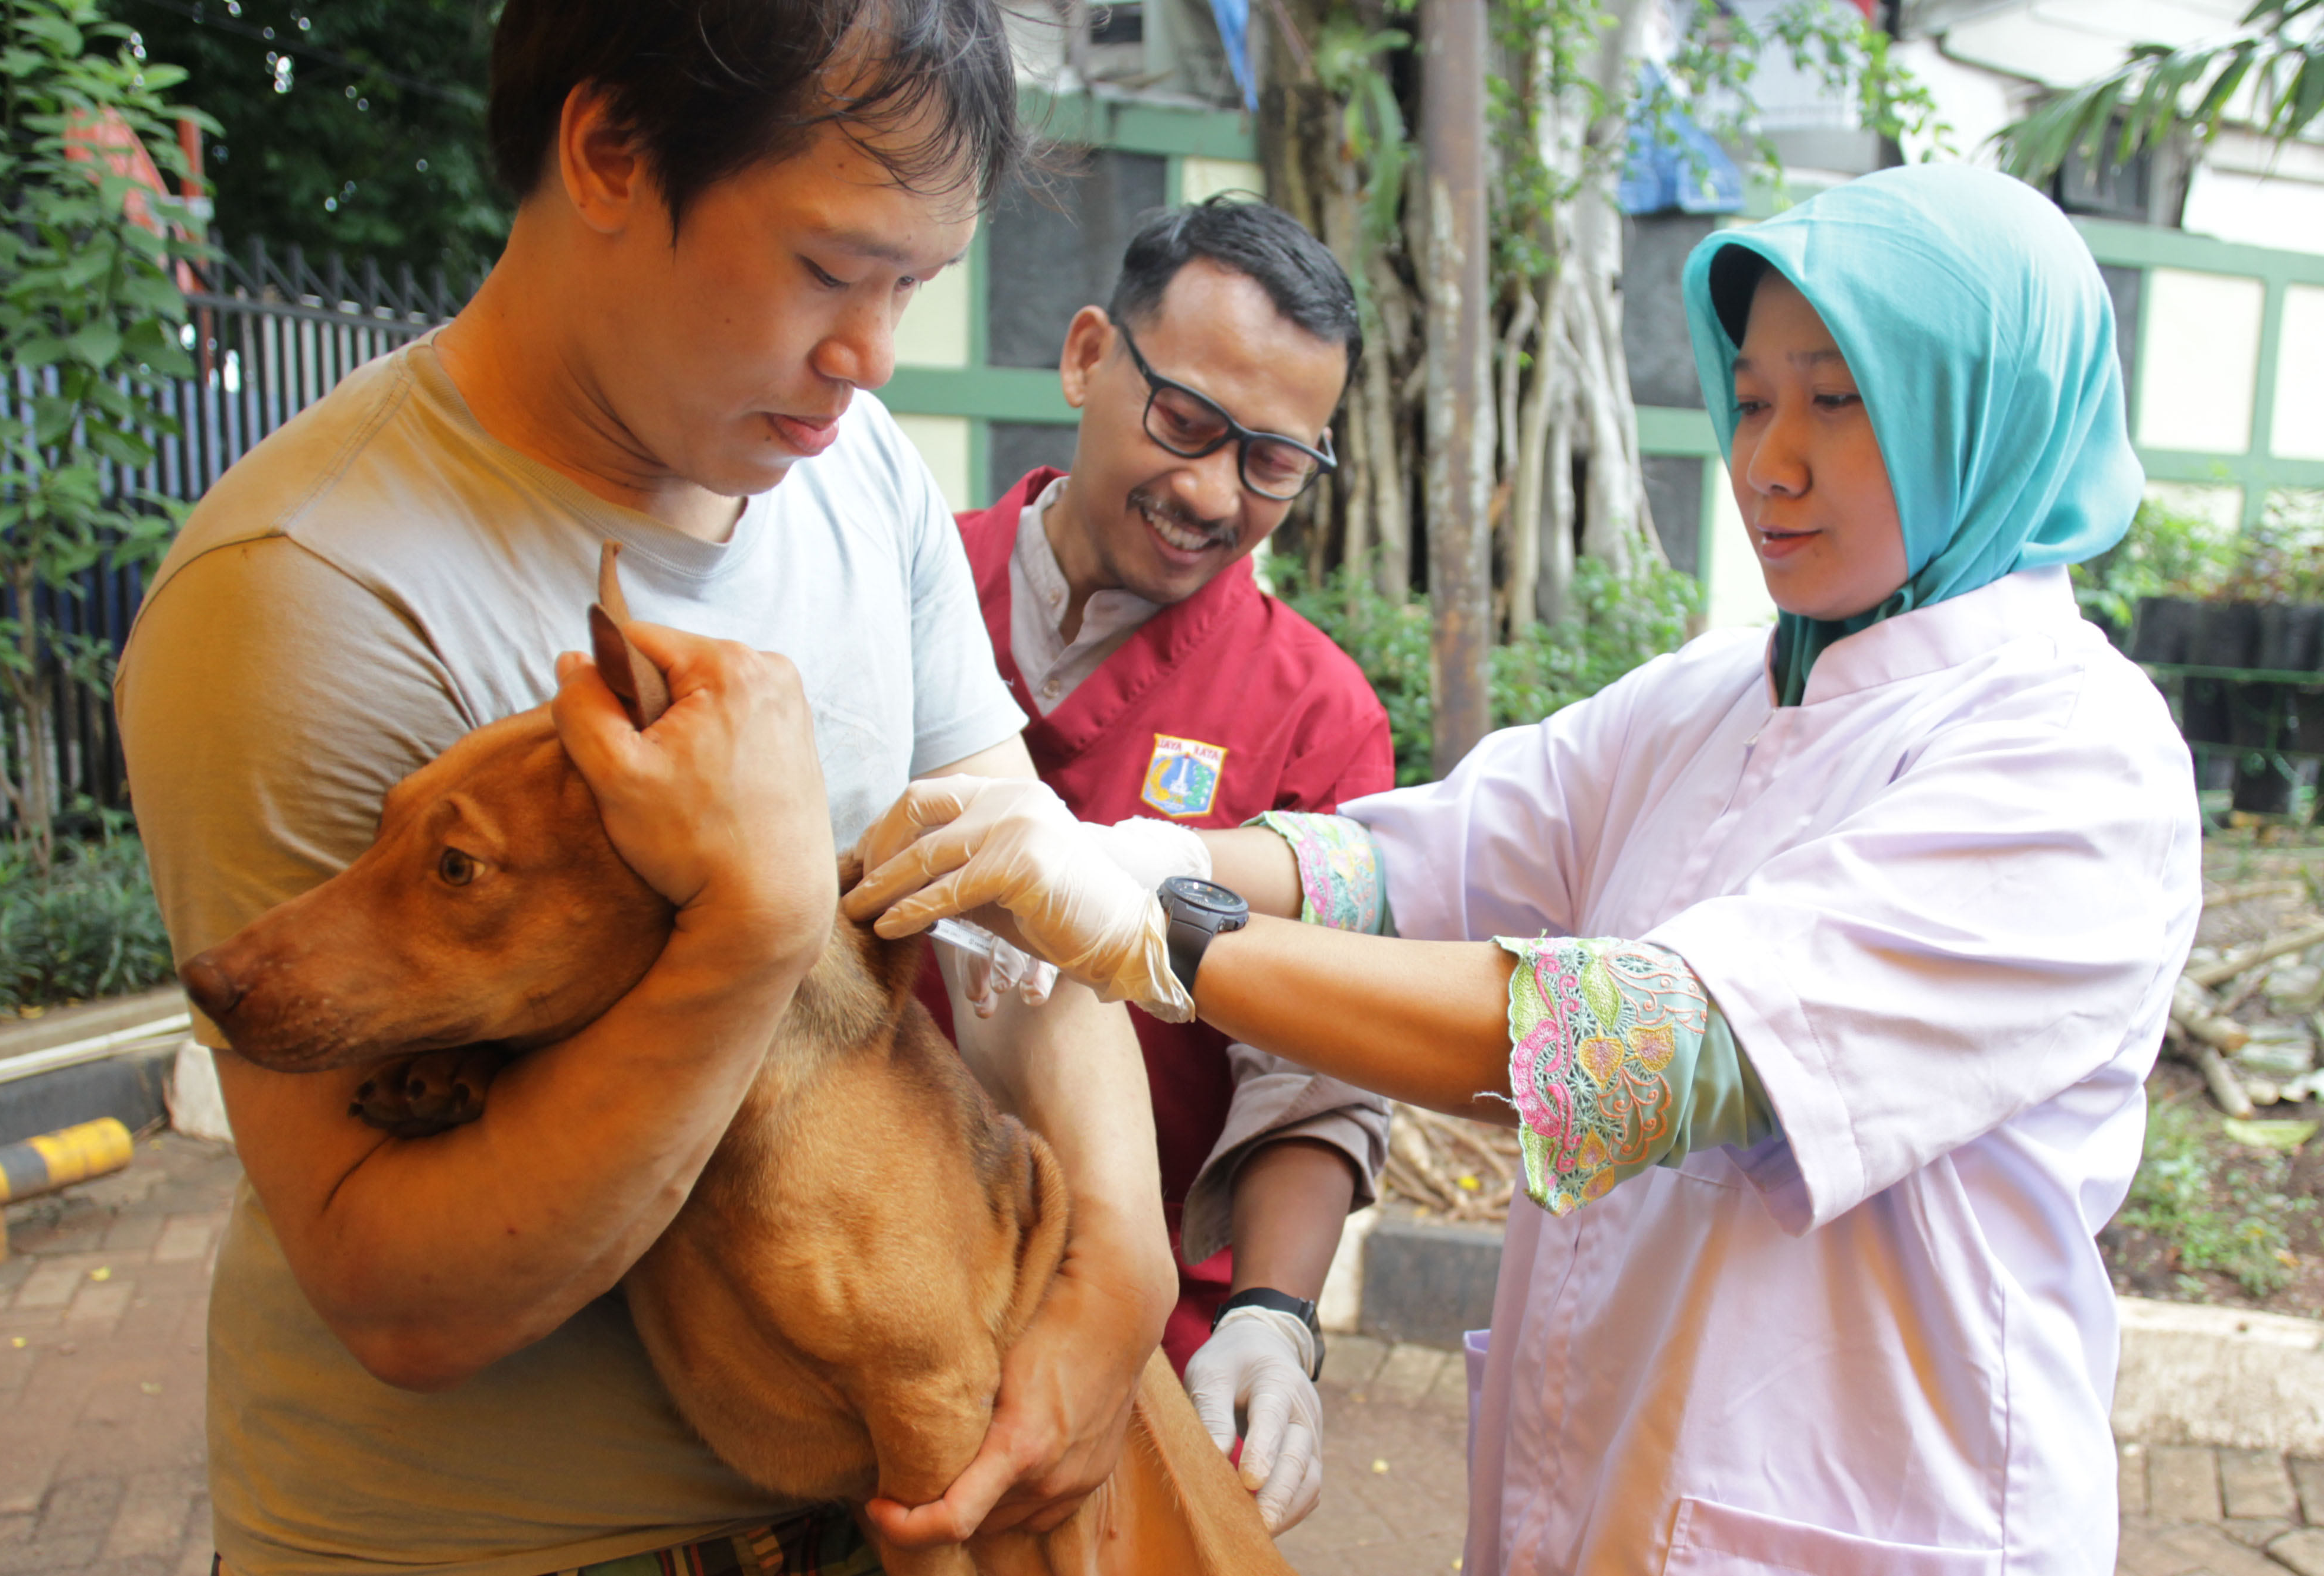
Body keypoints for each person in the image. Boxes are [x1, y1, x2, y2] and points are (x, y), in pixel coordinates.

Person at [846, 161, 2201, 1575]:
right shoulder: (1711, 701)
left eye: (1837, 401)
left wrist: (1158, 936)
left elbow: (1641, 1055)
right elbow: (1400, 863)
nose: (1765, 463)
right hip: (1617, 1486)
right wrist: (1153, 850)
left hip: (1865, 1508)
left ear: (1979, 413)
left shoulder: (2073, 762)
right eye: (1747, 399)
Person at [116, 3, 1177, 1572]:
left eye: (912, 287)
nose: (869, 356)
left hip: (861, 1505)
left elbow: (1015, 893)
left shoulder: (859, 471)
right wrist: (750, 930)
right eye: (830, 269)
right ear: (609, 151)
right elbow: (397, 1288)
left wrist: (1122, 1268)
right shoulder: (311, 590)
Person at [930, 196, 1395, 1535]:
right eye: (1183, 424)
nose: (1207, 493)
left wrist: (1268, 1319)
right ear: (1086, 356)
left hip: (1128, 1368)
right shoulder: (909, 595)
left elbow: (1316, 1069)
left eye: (1270, 465)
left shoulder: (1313, 714)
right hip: (833, 1285)